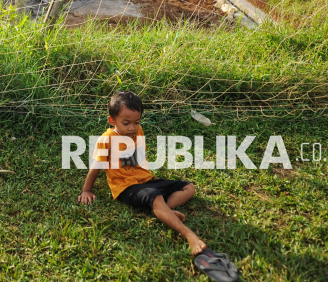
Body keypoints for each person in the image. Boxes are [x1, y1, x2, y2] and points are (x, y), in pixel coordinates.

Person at [77, 91, 239, 281]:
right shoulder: (107, 139)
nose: (132, 127)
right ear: (112, 120)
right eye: (126, 123)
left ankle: (166, 211)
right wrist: (87, 190)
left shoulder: (139, 131)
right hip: (126, 188)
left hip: (147, 181)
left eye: (136, 122)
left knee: (188, 187)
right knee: (155, 197)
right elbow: (97, 166)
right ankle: (189, 235)